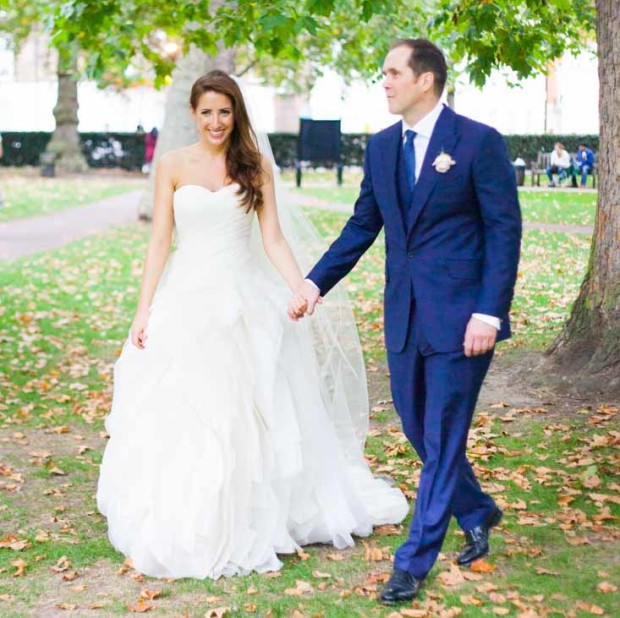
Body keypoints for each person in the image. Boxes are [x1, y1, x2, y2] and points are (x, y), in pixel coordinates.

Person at [97, 71, 407, 580]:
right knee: (187, 405)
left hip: (244, 298)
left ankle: (253, 509)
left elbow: (275, 240)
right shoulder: (172, 166)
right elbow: (160, 242)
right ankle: (187, 507)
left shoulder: (255, 166)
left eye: (225, 111)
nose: (216, 122)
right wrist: (143, 308)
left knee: (251, 405)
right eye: (206, 112)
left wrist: (300, 287)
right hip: (187, 300)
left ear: (236, 113)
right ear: (192, 115)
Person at [291, 39, 522, 605]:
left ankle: (413, 562)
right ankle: (478, 509)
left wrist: (489, 311)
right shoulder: (382, 148)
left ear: (426, 80)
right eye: (384, 73)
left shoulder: (477, 142)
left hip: (465, 320)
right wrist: (314, 282)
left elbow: (503, 231)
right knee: (420, 429)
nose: (385, 82)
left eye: (393, 73)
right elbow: (362, 225)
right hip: (405, 316)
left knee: (442, 437)